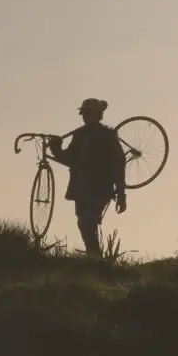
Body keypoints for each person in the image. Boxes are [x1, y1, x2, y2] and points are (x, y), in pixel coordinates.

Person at [48, 98, 127, 257]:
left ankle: (95, 258)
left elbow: (119, 165)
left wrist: (121, 195)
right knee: (84, 222)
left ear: (98, 115)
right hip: (81, 187)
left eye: (89, 113)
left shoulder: (108, 136)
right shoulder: (80, 135)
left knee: (88, 221)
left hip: (100, 187)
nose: (86, 117)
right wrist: (56, 148)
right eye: (84, 114)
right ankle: (94, 257)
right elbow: (69, 158)